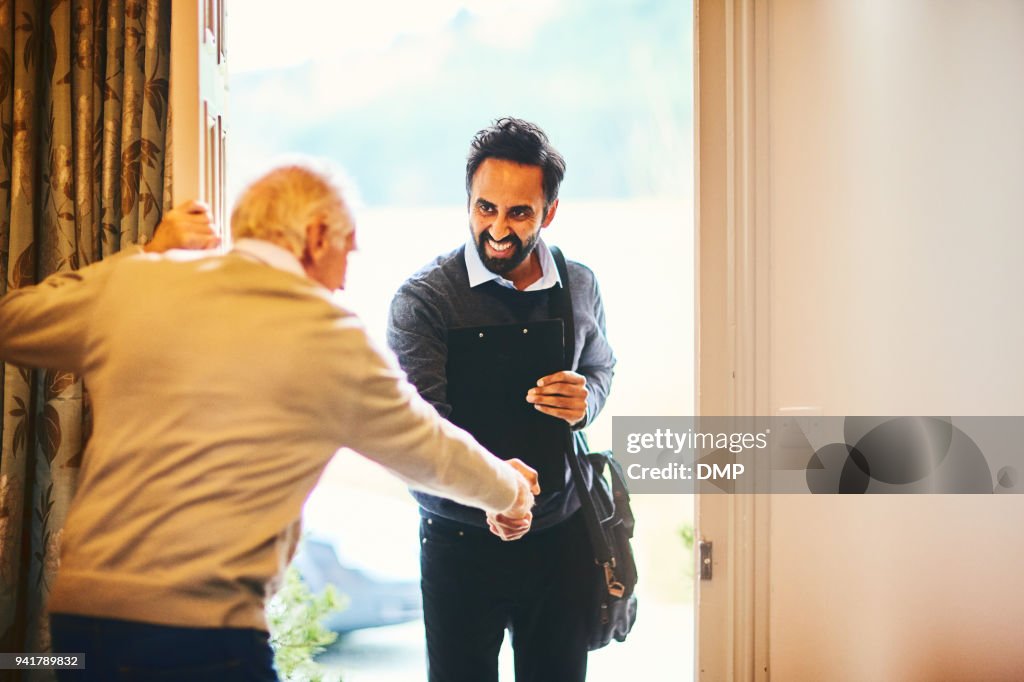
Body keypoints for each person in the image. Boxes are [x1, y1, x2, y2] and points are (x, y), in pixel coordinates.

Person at [0, 162, 539, 681]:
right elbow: (433, 452)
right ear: (317, 234)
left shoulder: (139, 282)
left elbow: (13, 321)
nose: (345, 280)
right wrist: (511, 490)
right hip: (203, 638)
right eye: (347, 253)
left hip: (80, 630)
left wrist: (149, 256)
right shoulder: (329, 336)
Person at [388, 118, 616, 682]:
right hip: (459, 542)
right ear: (468, 201)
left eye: (519, 213)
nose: (497, 228)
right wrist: (493, 494)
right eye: (485, 208)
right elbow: (416, 437)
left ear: (550, 212)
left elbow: (602, 367)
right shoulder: (424, 301)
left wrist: (585, 399)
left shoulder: (579, 284)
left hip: (560, 541)